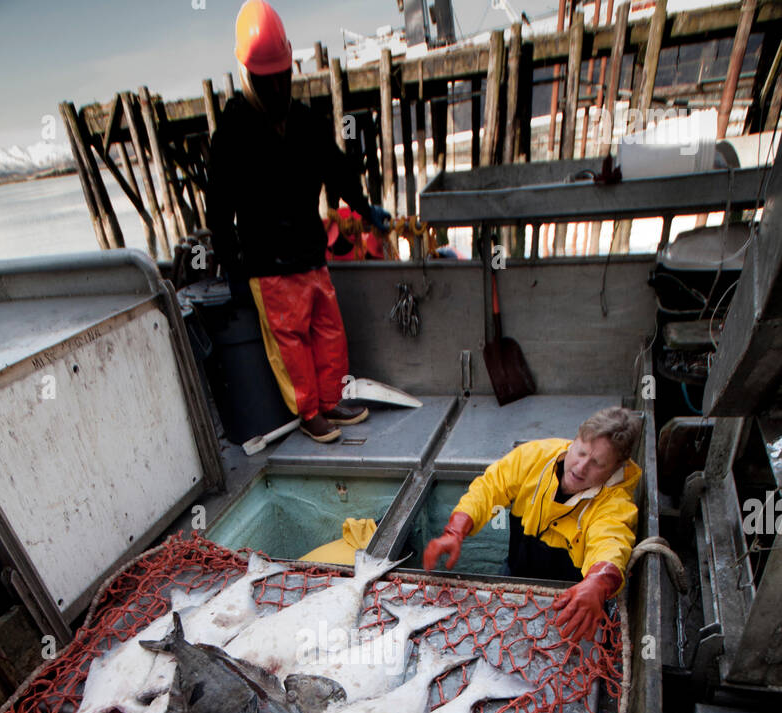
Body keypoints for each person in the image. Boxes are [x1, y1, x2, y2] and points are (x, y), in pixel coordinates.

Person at [206, 1, 392, 444]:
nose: (276, 86)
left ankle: (331, 400)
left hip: (311, 255)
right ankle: (309, 411)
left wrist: (365, 209)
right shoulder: (232, 131)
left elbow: (337, 168)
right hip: (268, 267)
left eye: (282, 76)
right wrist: (232, 266)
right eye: (267, 77)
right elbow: (218, 208)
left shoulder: (305, 120)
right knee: (290, 346)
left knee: (330, 333)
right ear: (249, 75)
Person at [423, 406, 643, 641]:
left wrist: (598, 582)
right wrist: (456, 530)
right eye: (580, 452)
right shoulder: (536, 456)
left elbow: (611, 541)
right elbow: (490, 487)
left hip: (574, 600)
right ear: (576, 438)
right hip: (515, 573)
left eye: (597, 463)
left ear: (616, 468)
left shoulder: (616, 504)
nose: (580, 467)